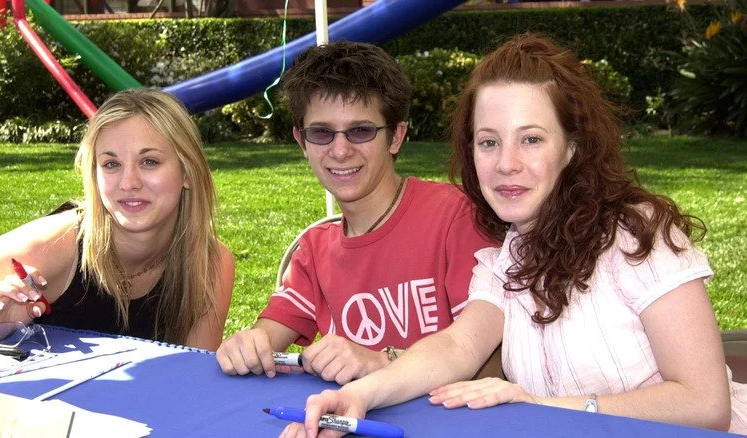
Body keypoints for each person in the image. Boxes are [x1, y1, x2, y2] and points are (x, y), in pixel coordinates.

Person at [287, 34, 747, 437]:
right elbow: (457, 346)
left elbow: (705, 405)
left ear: (572, 145)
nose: (505, 162)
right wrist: (361, 396)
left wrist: (541, 407)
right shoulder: (508, 258)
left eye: (530, 139)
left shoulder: (639, 236)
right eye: (488, 141)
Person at [216, 41, 501, 384]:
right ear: (301, 141)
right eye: (321, 133)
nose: (340, 150)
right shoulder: (314, 250)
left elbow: (494, 363)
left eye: (361, 131)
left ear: (395, 137)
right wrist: (248, 346)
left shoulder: (456, 217)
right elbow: (265, 338)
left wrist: (382, 361)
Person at [0, 89, 235, 351]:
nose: (129, 182)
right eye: (111, 164)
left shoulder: (210, 264)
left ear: (187, 172)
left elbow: (192, 380)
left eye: (150, 161)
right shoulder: (59, 245)